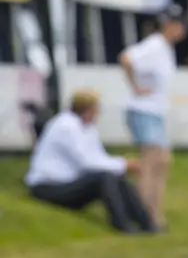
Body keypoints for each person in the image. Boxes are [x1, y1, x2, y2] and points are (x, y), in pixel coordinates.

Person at [24, 89, 157, 234]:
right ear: (88, 109)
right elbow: (87, 163)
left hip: (69, 182)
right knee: (105, 178)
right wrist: (123, 164)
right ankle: (122, 225)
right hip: (48, 186)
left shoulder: (87, 128)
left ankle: (146, 223)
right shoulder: (66, 126)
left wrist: (122, 164)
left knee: (116, 177)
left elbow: (98, 157)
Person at [118, 3, 186, 230]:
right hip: (143, 109)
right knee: (151, 162)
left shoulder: (164, 47)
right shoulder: (155, 44)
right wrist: (135, 86)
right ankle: (143, 214)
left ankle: (152, 212)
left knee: (161, 161)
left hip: (153, 110)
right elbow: (126, 58)